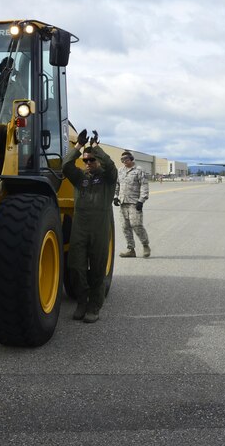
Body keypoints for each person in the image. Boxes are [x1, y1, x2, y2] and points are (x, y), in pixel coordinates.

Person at [62, 129, 117, 323]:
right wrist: (78, 146)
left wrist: (95, 147)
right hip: (80, 228)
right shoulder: (80, 178)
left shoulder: (108, 178)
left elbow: (110, 165)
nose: (87, 163)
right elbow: (66, 165)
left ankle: (94, 306)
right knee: (75, 266)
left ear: (97, 161)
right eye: (85, 160)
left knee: (97, 269)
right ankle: (82, 302)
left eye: (91, 160)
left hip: (99, 229)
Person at [114, 150, 151, 258]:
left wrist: (141, 200)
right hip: (123, 203)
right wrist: (115, 197)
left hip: (135, 203)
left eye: (126, 159)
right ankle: (131, 250)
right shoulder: (120, 171)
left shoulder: (139, 170)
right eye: (122, 159)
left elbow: (144, 186)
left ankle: (145, 245)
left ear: (131, 159)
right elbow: (117, 185)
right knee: (125, 227)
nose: (124, 161)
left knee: (136, 225)